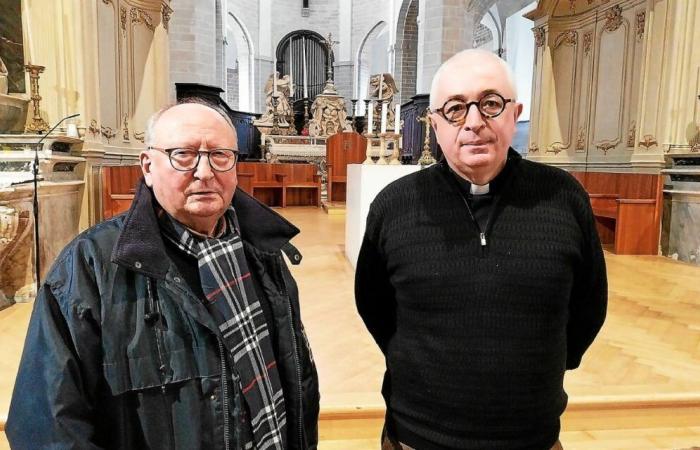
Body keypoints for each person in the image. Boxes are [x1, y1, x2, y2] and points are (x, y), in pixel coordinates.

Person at [7, 100, 320, 450]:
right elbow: (47, 427)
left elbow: (295, 379)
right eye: (183, 154)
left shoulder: (263, 251)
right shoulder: (89, 267)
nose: (205, 171)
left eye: (220, 154)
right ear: (148, 166)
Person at [355, 49, 607, 450]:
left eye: (490, 103)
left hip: (531, 437)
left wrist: (540, 368)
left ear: (514, 112)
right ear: (434, 123)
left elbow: (589, 306)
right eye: (455, 109)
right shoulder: (395, 204)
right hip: (419, 436)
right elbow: (374, 306)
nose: (474, 122)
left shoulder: (563, 198)